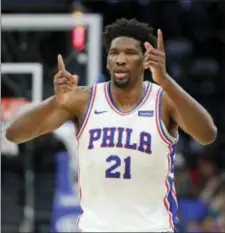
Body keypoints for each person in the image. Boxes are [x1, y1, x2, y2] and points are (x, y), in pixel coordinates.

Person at [6, 18, 217, 232]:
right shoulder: (83, 100)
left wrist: (164, 80)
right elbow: (14, 134)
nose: (120, 59)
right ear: (107, 60)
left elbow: (207, 134)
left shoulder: (164, 100)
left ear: (146, 60)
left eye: (130, 53)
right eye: (114, 53)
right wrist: (55, 101)